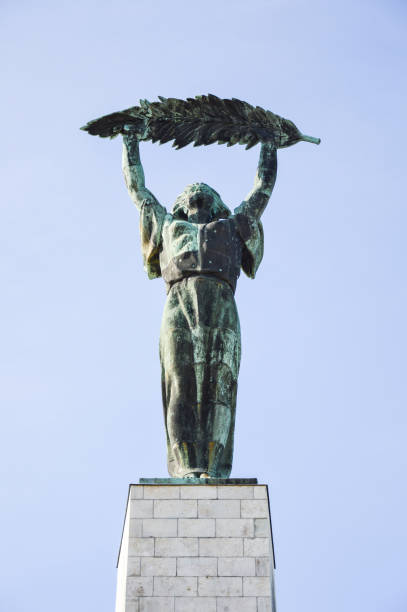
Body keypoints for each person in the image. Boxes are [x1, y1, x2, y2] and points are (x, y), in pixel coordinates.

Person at [122, 126, 277, 478]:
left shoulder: (233, 226)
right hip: (178, 303)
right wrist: (130, 141)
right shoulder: (167, 226)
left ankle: (212, 465)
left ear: (216, 204)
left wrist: (270, 144)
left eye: (205, 190)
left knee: (216, 384)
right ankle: (187, 464)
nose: (197, 189)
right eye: (190, 190)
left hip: (221, 305)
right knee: (181, 381)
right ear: (180, 204)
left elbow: (262, 191)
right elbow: (138, 190)